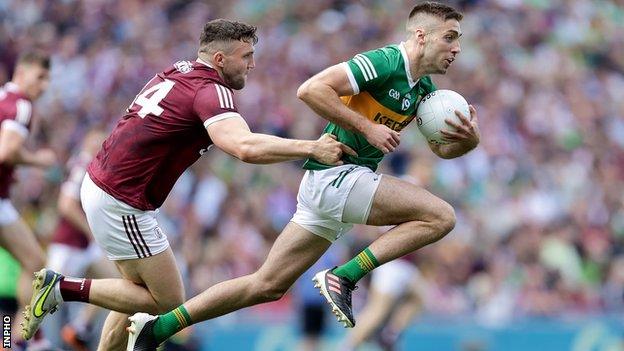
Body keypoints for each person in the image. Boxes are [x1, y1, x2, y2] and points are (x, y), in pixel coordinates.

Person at [125, 2, 480, 349]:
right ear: (421, 36)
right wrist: (366, 128)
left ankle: (158, 329)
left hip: (331, 185)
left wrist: (469, 139)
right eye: (450, 37)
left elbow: (442, 150)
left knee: (265, 285)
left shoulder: (423, 90)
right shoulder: (385, 62)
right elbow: (310, 89)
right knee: (440, 217)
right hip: (337, 176)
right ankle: (345, 276)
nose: (457, 48)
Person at [20, 19, 352, 349]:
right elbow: (244, 147)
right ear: (220, 60)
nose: (252, 64)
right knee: (168, 300)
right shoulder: (211, 90)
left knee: (136, 293)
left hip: (106, 186)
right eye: (246, 56)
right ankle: (61, 289)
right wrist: (312, 147)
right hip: (122, 200)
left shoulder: (179, 70)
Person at [42, 129, 118, 350]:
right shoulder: (82, 165)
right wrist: (91, 231)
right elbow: (65, 204)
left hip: (83, 248)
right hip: (67, 246)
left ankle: (80, 327)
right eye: (96, 142)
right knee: (41, 298)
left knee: (118, 283)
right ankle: (12, 341)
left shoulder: (95, 167)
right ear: (87, 144)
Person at [0, 51, 55, 346]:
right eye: (40, 77)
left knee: (34, 263)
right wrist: (38, 160)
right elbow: (6, 152)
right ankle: (25, 341)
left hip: (4, 201)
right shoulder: (21, 105)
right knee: (36, 265)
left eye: (48, 79)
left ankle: (19, 340)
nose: (44, 85)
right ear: (21, 73)